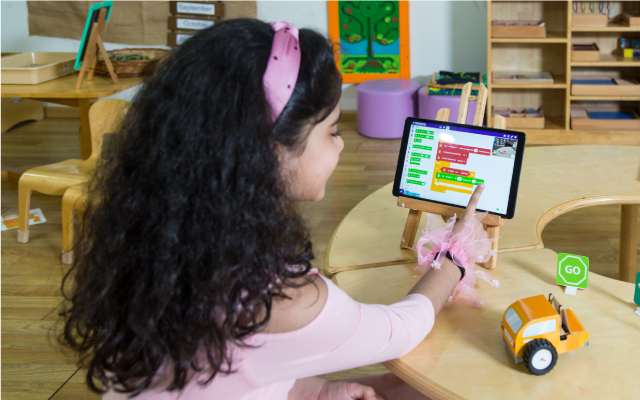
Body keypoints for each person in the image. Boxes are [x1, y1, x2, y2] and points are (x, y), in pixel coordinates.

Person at [60, 19, 490, 400]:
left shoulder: (153, 238)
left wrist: (312, 389)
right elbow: (401, 330)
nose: (341, 143)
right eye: (332, 130)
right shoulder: (281, 298)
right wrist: (453, 256)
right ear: (267, 152)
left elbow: (227, 370)